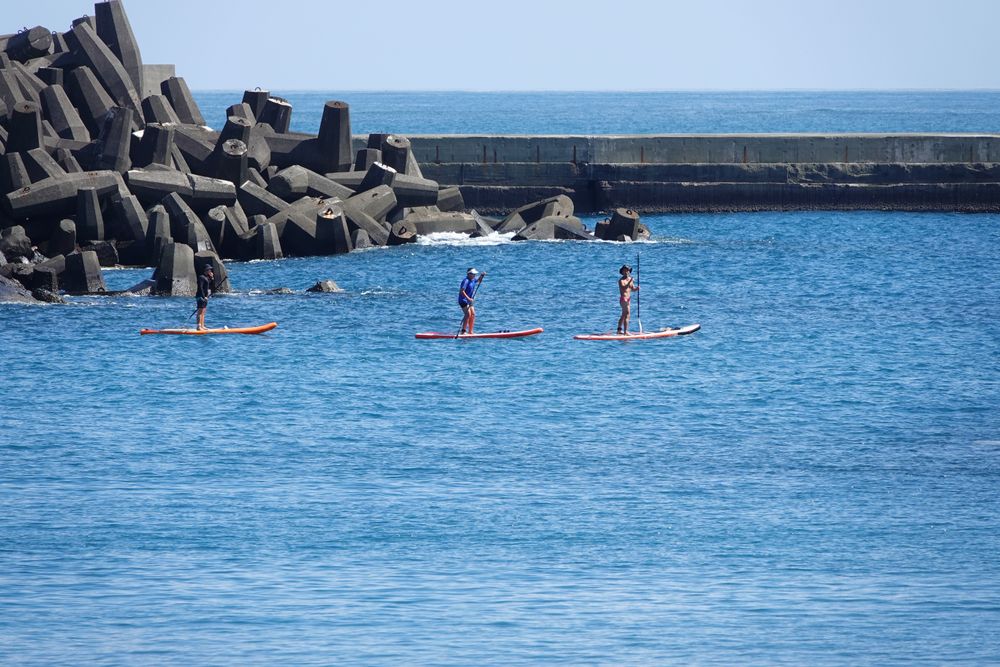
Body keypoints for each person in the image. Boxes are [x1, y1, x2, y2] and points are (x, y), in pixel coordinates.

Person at [458, 267, 486, 335]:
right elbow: (461, 291)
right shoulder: (466, 281)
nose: (474, 275)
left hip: (469, 301)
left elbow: (479, 281)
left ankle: (470, 332)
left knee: (473, 314)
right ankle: (463, 331)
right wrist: (468, 298)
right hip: (463, 300)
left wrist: (482, 275)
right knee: (468, 314)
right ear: (469, 274)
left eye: (475, 274)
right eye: (473, 274)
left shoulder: (473, 280)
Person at [617, 264, 639, 334]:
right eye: (625, 271)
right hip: (623, 299)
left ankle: (619, 330)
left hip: (628, 299)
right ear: (622, 272)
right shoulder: (621, 280)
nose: (626, 272)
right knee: (627, 314)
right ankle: (626, 331)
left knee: (624, 315)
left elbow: (632, 289)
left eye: (628, 271)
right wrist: (630, 281)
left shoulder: (630, 279)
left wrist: (637, 289)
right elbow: (624, 287)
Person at [196, 264, 214, 331]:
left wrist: (211, 278)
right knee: (200, 312)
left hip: (205, 297)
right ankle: (198, 326)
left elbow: (209, 285)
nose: (210, 271)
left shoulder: (206, 278)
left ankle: (202, 326)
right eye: (209, 269)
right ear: (206, 270)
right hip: (200, 296)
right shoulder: (201, 277)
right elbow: (200, 288)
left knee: (203, 312)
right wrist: (204, 297)